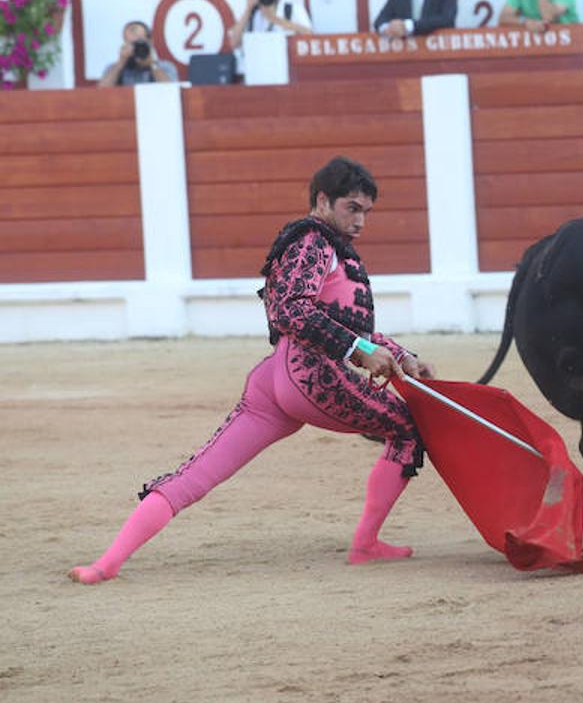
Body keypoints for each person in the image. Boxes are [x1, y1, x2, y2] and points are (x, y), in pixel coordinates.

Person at [69, 158, 435, 585]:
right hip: (311, 377)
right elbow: (292, 309)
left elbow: (347, 325)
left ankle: (106, 563)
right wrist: (358, 350)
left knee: (197, 473)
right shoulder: (315, 242)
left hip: (273, 380)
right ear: (323, 199)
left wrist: (400, 354)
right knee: (408, 428)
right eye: (352, 208)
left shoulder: (320, 244)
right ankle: (366, 544)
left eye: (366, 212)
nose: (360, 222)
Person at [227, 0, 314, 53]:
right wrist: (248, 9)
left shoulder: (293, 9)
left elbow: (310, 36)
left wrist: (274, 18)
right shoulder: (251, 13)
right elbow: (234, 43)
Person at [97, 20, 177, 87]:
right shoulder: (112, 68)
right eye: (133, 44)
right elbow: (101, 92)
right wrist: (120, 63)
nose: (137, 48)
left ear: (149, 42)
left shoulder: (165, 66)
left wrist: (152, 65)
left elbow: (171, 90)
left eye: (140, 43)